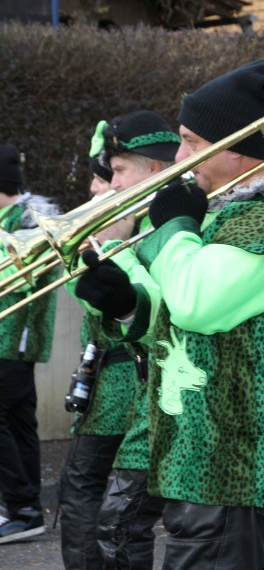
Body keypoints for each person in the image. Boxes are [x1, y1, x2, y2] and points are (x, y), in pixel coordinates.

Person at [76, 60, 264, 570]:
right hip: (218, 466)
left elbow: (199, 307)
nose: (178, 157)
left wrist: (174, 228)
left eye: (192, 142)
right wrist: (128, 303)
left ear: (237, 146)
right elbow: (188, 322)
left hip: (239, 470)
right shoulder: (230, 218)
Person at [60, 113, 178, 570]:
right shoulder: (132, 219)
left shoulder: (165, 223)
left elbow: (153, 308)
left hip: (139, 379)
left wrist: (108, 256)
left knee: (105, 501)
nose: (103, 188)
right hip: (133, 378)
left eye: (115, 173)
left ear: (151, 170)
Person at [0, 144, 60, 545]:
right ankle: (23, 507)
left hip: (14, 337)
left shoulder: (29, 220)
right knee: (20, 422)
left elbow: (22, 277)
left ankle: (22, 508)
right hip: (8, 338)